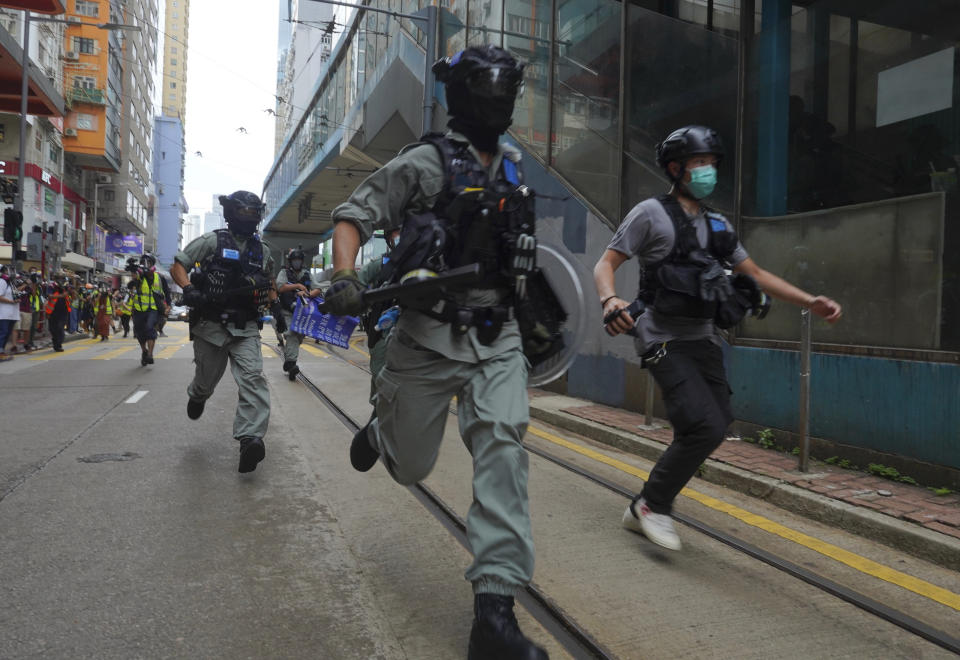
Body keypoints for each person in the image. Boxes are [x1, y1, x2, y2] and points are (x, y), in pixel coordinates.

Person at [328, 45, 549, 660]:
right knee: (411, 468)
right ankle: (383, 432)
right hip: (426, 338)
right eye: (492, 91)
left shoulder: (513, 168)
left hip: (494, 334)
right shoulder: (424, 163)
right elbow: (354, 215)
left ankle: (494, 615)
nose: (500, 102)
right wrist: (345, 276)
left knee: (504, 447)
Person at [593, 125, 843, 551]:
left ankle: (647, 504)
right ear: (676, 168)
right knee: (703, 425)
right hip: (661, 336)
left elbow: (757, 275)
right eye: (699, 163)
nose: (708, 170)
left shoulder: (717, 224)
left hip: (704, 337)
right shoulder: (650, 213)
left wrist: (809, 301)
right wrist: (610, 300)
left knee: (715, 423)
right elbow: (605, 263)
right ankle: (652, 505)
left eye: (712, 162)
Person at [170, 190, 281, 474]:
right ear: (232, 214)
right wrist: (189, 289)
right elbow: (178, 265)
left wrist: (271, 300)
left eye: (253, 213)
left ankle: (250, 439)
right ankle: (197, 395)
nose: (248, 218)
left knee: (253, 379)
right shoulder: (211, 241)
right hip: (210, 327)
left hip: (245, 330)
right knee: (206, 381)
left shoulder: (263, 251)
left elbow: (269, 284)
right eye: (243, 212)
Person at [275, 246, 322, 380]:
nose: (297, 262)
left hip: (303, 313)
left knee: (299, 336)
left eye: (299, 260)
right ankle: (291, 364)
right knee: (291, 334)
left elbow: (317, 288)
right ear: (291, 261)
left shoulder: (307, 274)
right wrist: (297, 287)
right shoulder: (284, 273)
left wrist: (307, 294)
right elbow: (280, 287)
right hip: (287, 311)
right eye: (294, 260)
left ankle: (290, 360)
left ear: (302, 261)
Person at [129, 253, 165, 365]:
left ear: (152, 264)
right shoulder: (139, 275)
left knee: (150, 329)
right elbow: (132, 283)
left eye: (148, 262)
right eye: (143, 262)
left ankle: (150, 354)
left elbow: (164, 293)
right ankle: (144, 351)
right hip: (138, 310)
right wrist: (133, 269)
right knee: (139, 333)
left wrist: (166, 306)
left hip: (152, 309)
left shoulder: (158, 277)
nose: (146, 265)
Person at [44, 283, 71, 351]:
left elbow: (70, 293)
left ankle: (59, 343)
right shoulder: (51, 286)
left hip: (63, 313)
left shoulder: (65, 287)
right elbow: (49, 296)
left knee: (60, 327)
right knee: (53, 329)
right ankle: (56, 345)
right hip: (52, 313)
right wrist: (61, 296)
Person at [0, 265, 19, 360]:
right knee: (3, 333)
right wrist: (11, 302)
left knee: (7, 333)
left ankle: (2, 351)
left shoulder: (11, 283)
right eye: (10, 270)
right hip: (4, 313)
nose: (12, 272)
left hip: (12, 314)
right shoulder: (2, 282)